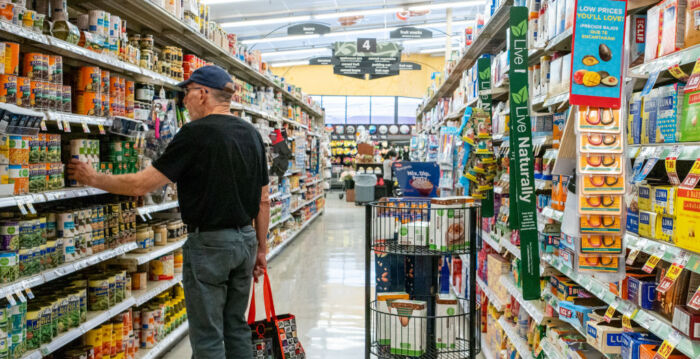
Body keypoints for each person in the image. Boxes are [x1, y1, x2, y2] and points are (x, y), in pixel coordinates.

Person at [68, 65, 270, 358]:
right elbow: (263, 200)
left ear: (203, 94)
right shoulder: (251, 134)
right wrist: (261, 249)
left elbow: (141, 185)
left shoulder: (195, 133)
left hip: (210, 246)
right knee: (236, 327)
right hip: (246, 241)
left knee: (208, 336)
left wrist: (94, 178)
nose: (184, 101)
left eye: (186, 93)